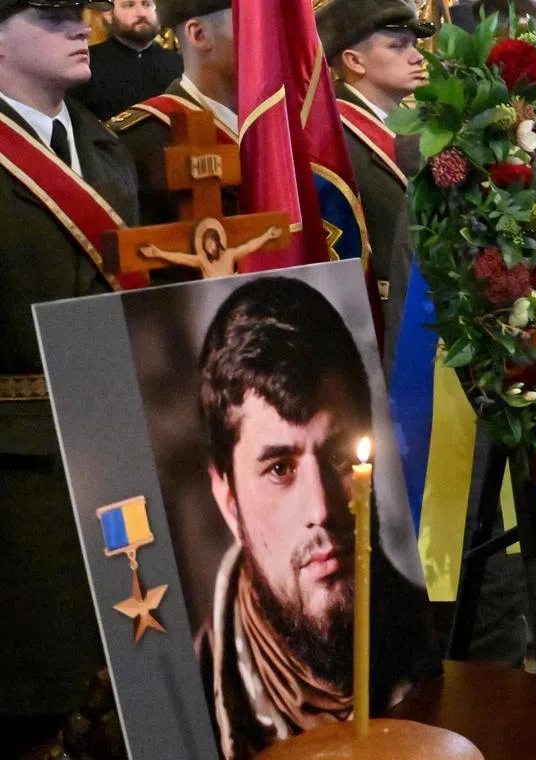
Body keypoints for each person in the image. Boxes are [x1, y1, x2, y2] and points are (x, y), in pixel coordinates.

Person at [196, 276, 438, 760]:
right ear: (228, 499)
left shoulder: (437, 642)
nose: (321, 509)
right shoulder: (193, 698)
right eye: (279, 469)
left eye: (339, 458)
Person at [0, 0, 140, 754]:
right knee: (35, 703)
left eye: (78, 12)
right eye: (52, 15)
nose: (81, 28)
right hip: (20, 467)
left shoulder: (105, 145)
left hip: (116, 446)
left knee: (130, 673)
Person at [316, 0, 435, 372]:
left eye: (414, 44)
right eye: (397, 46)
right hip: (378, 334)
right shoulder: (333, 143)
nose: (417, 57)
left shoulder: (419, 126)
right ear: (354, 61)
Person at [107, 0, 236, 225]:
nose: (271, 38)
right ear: (199, 35)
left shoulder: (288, 124)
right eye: (251, 25)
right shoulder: (138, 143)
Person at [70, 0, 182, 120]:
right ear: (108, 14)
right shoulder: (86, 63)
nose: (141, 13)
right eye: (129, 5)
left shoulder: (179, 64)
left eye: (147, 4)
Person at [138, 218, 281, 277]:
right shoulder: (203, 260)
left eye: (211, 243)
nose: (209, 248)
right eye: (206, 245)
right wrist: (159, 253)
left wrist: (267, 236)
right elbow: (181, 258)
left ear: (218, 241)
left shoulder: (230, 255)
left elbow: (249, 247)